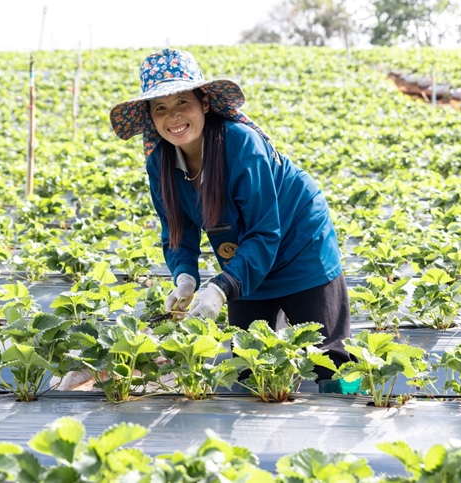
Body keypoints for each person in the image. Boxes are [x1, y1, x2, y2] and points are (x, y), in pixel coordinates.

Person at [110, 49, 358, 393]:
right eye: (161, 108)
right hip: (244, 259)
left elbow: (265, 232)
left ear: (205, 103)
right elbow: (176, 231)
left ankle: (352, 420)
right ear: (151, 118)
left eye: (183, 102)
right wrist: (185, 277)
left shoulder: (240, 144)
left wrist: (221, 287)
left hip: (300, 245)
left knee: (330, 358)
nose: (174, 116)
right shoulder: (160, 162)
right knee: (249, 364)